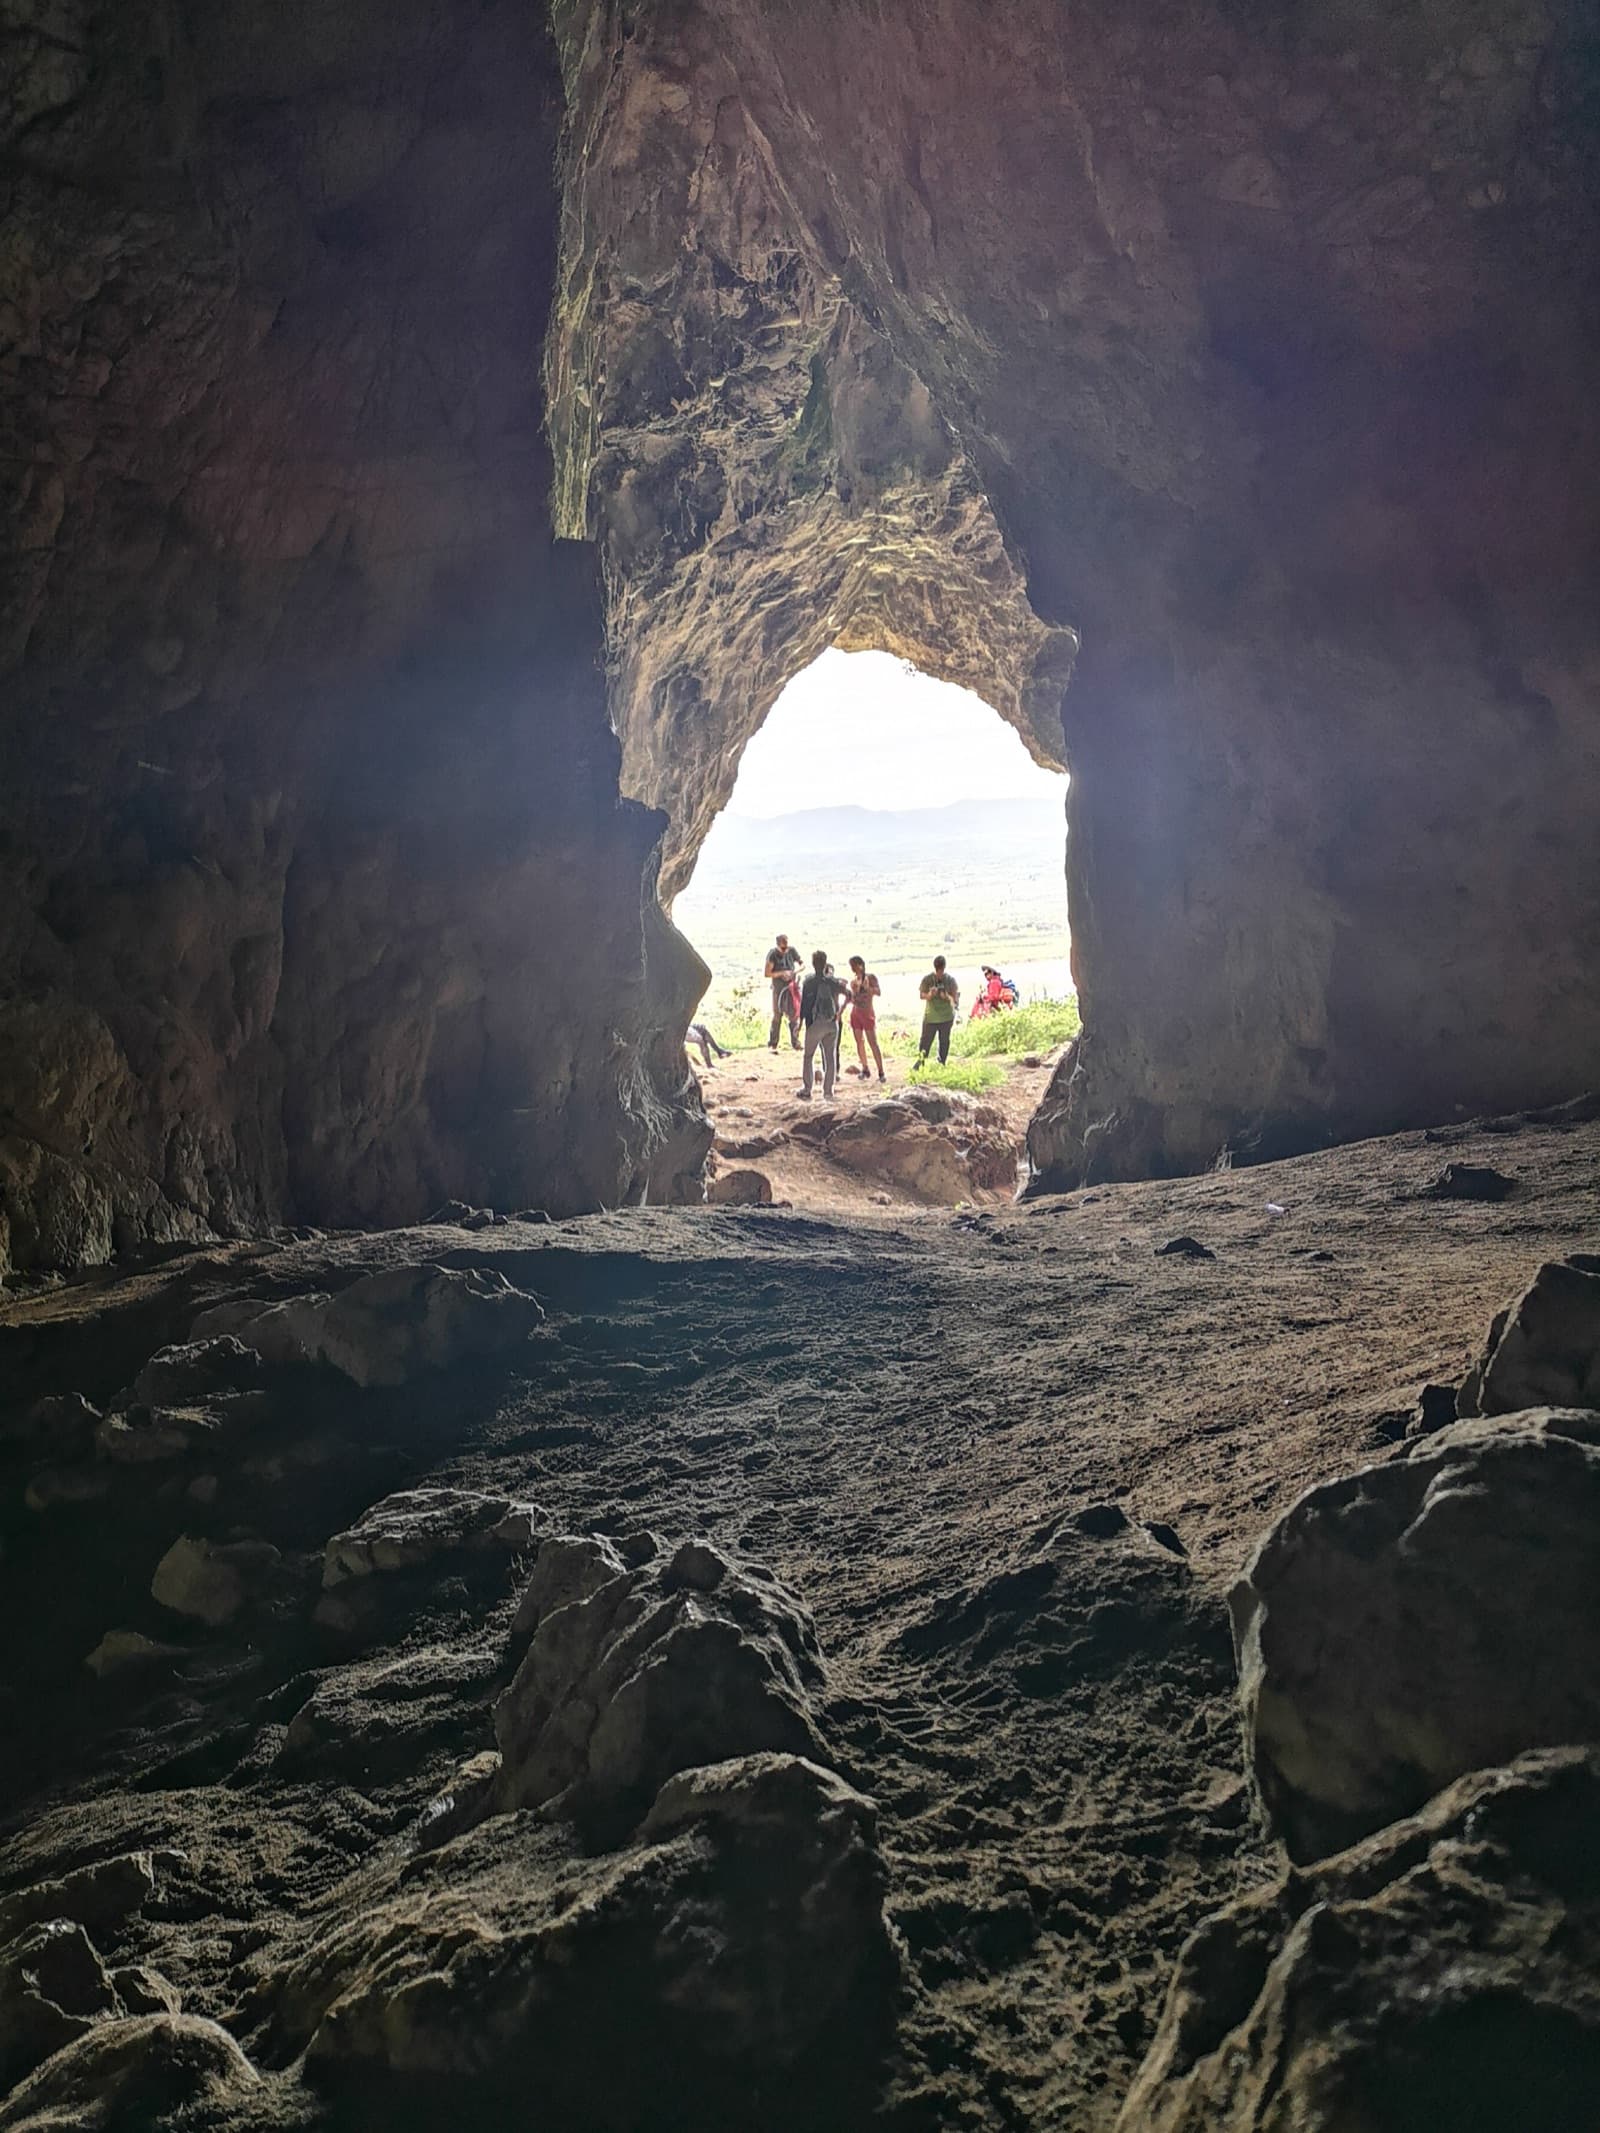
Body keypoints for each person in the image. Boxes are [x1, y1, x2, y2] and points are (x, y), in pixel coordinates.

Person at [797, 949, 847, 1100]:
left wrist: (800, 1025)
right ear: (825, 963)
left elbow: (804, 1005)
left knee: (808, 1056)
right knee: (830, 1057)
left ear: (813, 964)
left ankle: (807, 1089)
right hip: (832, 1024)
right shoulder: (833, 982)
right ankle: (828, 1092)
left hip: (814, 1024)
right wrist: (839, 1013)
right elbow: (849, 994)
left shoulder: (808, 982)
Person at [846, 956, 885, 1081]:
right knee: (859, 1041)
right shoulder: (854, 980)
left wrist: (868, 989)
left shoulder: (870, 978)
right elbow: (852, 998)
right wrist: (854, 990)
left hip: (867, 1013)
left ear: (860, 965)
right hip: (856, 1013)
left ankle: (881, 1071)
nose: (852, 968)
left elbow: (879, 992)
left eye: (854, 965)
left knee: (873, 1042)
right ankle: (865, 1068)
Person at [917, 954, 959, 1064]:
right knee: (926, 1043)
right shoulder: (928, 979)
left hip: (945, 1017)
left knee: (943, 1042)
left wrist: (946, 997)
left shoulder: (950, 980)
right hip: (932, 1017)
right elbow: (922, 995)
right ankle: (921, 1063)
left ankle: (941, 1063)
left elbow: (955, 999)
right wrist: (930, 995)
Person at [764, 935, 802, 1051]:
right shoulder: (772, 954)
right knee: (777, 1015)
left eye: (786, 946)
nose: (785, 949)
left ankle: (795, 1042)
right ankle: (773, 1042)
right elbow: (767, 973)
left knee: (794, 1015)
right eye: (783, 948)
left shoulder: (792, 951)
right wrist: (781, 973)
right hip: (778, 988)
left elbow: (802, 964)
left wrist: (794, 972)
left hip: (791, 987)